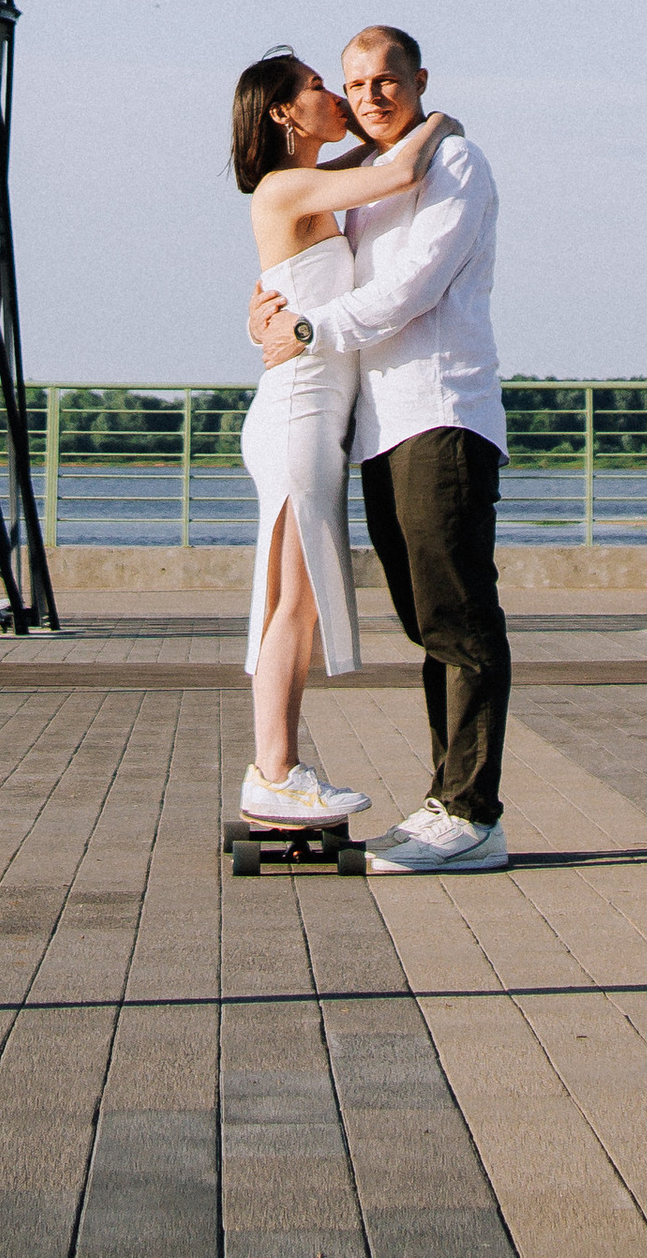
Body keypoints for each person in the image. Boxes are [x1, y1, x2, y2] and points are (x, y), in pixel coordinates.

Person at [248, 24, 509, 874]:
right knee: (425, 620)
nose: (367, 97)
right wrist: (266, 314)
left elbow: (411, 289)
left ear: (418, 79)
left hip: (441, 414)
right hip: (373, 428)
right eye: (353, 84)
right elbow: (299, 263)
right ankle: (442, 803)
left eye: (383, 81)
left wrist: (308, 325)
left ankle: (470, 814)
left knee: (459, 619)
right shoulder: (352, 186)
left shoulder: (454, 166)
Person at [231, 47, 456, 830]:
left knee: (292, 596)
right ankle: (275, 771)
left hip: (314, 413)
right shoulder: (288, 186)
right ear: (286, 114)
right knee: (293, 597)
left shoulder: (312, 186)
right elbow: (397, 172)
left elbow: (373, 159)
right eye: (321, 88)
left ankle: (277, 769)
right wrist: (439, 122)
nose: (340, 96)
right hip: (298, 410)